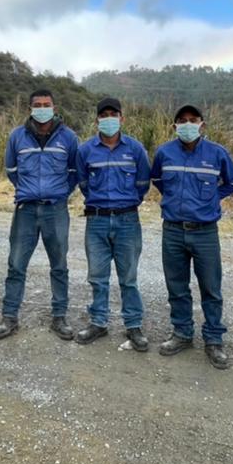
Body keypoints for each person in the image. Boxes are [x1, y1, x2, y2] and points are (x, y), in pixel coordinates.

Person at [149, 104, 233, 368]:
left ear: (202, 124)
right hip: (173, 230)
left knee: (211, 288)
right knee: (176, 286)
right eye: (182, 120)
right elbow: (156, 179)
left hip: (205, 232)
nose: (187, 124)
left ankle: (213, 339)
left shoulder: (217, 153)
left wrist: (212, 198)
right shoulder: (164, 152)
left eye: (193, 120)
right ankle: (182, 333)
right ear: (174, 126)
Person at [0, 89, 81, 341]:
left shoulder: (69, 138)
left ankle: (60, 317)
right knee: (16, 264)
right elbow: (11, 170)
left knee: (59, 265)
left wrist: (60, 191)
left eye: (47, 104)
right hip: (26, 210)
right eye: (37, 104)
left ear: (54, 107)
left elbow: (74, 172)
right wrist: (28, 190)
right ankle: (9, 317)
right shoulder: (17, 137)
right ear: (30, 108)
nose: (42, 108)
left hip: (56, 209)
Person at [74, 97, 152, 346]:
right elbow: (84, 184)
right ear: (97, 120)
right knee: (97, 276)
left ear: (121, 118)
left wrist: (125, 205)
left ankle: (134, 326)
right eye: (104, 114)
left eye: (113, 114)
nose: (109, 118)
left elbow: (142, 185)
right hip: (96, 220)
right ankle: (98, 322)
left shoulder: (136, 149)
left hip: (127, 219)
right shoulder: (85, 150)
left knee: (128, 277)